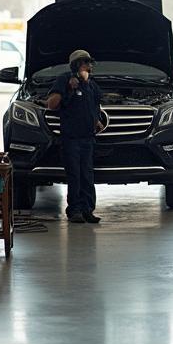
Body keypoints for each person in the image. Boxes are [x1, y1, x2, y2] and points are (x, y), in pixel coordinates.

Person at [46, 49, 104, 224]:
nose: (90, 66)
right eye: (87, 62)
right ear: (77, 64)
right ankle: (75, 210)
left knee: (87, 175)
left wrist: (96, 121)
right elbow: (52, 104)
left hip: (88, 138)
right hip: (71, 138)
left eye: (90, 62)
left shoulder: (91, 85)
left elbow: (95, 106)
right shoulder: (64, 80)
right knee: (75, 175)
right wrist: (69, 89)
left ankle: (88, 210)